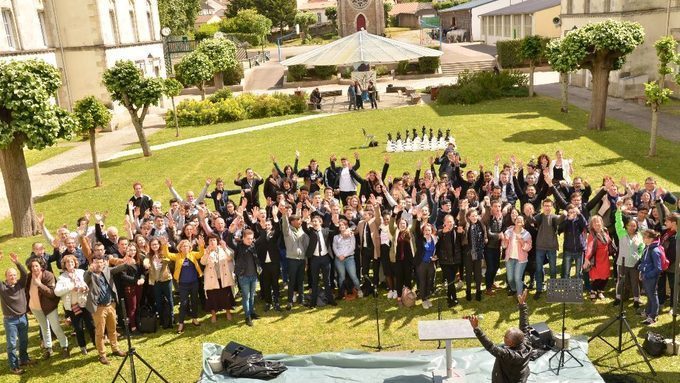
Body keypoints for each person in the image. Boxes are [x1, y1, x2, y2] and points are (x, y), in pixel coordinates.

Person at [468, 290, 533, 383]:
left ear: (510, 342)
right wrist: (522, 305)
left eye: (506, 337)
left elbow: (490, 347)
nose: (504, 336)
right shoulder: (525, 342)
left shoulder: (510, 355)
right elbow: (524, 326)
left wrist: (476, 328)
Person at [84, 250, 127, 365]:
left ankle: (115, 349)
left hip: (110, 305)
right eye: (96, 262)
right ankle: (102, 355)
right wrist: (89, 271)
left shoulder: (107, 271)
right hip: (98, 308)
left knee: (113, 329)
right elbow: (85, 280)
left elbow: (118, 269)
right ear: (92, 263)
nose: (99, 265)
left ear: (104, 263)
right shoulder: (89, 274)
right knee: (100, 333)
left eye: (101, 262)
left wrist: (126, 262)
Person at [25, 257, 69, 359]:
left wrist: (39, 284)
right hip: (35, 307)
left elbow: (52, 294)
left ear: (41, 266)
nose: (35, 268)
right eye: (32, 266)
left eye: (36, 266)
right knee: (44, 327)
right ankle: (48, 348)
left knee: (56, 327)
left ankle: (65, 346)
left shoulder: (48, 275)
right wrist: (28, 307)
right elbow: (27, 292)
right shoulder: (29, 277)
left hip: (49, 307)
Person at [162, 236, 205, 334]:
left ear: (190, 248)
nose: (185, 248)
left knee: (194, 301)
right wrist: (164, 245)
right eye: (183, 246)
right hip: (183, 284)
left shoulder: (193, 254)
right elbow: (167, 254)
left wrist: (201, 246)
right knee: (184, 303)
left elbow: (201, 253)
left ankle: (194, 318)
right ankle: (181, 323)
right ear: (180, 248)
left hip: (194, 283)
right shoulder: (177, 256)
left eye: (187, 246)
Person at [55, 254, 96, 355]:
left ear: (75, 263)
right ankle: (83, 346)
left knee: (90, 325)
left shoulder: (81, 272)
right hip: (73, 306)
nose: (70, 264)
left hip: (84, 303)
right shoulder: (61, 278)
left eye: (72, 262)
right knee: (78, 328)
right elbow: (57, 292)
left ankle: (96, 343)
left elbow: (88, 283)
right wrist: (70, 288)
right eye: (68, 262)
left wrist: (85, 288)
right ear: (64, 264)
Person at [0, 251, 34, 375]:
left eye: (14, 275)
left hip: (23, 318)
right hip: (10, 321)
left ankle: (24, 359)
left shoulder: (20, 284)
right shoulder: (2, 287)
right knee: (12, 344)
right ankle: (14, 366)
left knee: (24, 340)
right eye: (10, 275)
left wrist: (17, 263)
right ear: (6, 277)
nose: (13, 277)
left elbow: (25, 274)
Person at [227, 222, 261, 326]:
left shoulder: (253, 246)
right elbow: (229, 241)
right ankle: (247, 316)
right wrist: (230, 231)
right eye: (248, 239)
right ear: (243, 238)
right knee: (246, 296)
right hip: (243, 276)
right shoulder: (238, 246)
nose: (250, 241)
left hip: (253, 276)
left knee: (252, 296)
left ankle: (252, 312)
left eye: (251, 239)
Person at [612, 200, 643, 307]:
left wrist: (638, 257)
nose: (632, 227)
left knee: (635, 282)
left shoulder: (639, 236)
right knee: (621, 281)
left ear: (636, 227)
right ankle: (618, 298)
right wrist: (618, 211)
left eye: (634, 226)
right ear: (626, 226)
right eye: (630, 225)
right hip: (622, 263)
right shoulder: (621, 233)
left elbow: (641, 248)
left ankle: (636, 299)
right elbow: (618, 222)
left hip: (634, 264)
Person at [200, 236, 235, 322]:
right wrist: (207, 253)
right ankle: (213, 314)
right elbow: (202, 262)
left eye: (214, 240)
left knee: (226, 295)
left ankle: (228, 312)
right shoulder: (206, 250)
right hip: (212, 279)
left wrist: (225, 247)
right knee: (212, 296)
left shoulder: (222, 249)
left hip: (223, 277)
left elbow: (230, 257)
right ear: (208, 242)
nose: (212, 242)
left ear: (217, 241)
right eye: (210, 240)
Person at [144, 238, 174, 329]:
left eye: (156, 244)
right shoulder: (149, 255)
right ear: (150, 246)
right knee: (158, 301)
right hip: (156, 281)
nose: (155, 246)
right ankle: (162, 319)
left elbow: (169, 260)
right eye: (153, 245)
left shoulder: (163, 253)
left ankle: (171, 319)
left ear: (159, 245)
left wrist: (163, 259)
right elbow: (145, 262)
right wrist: (146, 264)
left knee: (169, 299)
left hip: (166, 280)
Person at [502, 216, 532, 298]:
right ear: (514, 222)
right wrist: (505, 240)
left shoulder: (526, 234)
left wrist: (522, 241)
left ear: (523, 223)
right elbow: (504, 246)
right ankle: (514, 289)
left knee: (517, 278)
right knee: (510, 278)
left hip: (521, 260)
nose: (519, 221)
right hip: (510, 258)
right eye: (517, 219)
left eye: (521, 220)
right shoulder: (508, 232)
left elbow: (528, 248)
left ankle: (520, 296)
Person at [583, 216, 612, 301]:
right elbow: (590, 247)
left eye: (598, 221)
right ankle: (593, 291)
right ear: (592, 225)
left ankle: (600, 291)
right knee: (597, 277)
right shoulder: (592, 235)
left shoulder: (605, 231)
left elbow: (609, 241)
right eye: (594, 222)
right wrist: (587, 259)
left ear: (601, 222)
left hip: (605, 257)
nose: (597, 224)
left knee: (605, 277)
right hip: (596, 259)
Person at [639, 229, 663, 325]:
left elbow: (658, 268)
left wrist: (647, 275)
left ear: (651, 239)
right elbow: (644, 261)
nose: (643, 239)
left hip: (651, 277)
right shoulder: (647, 247)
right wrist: (641, 270)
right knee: (649, 295)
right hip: (646, 276)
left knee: (653, 296)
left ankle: (653, 316)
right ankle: (648, 312)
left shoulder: (654, 250)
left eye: (645, 237)